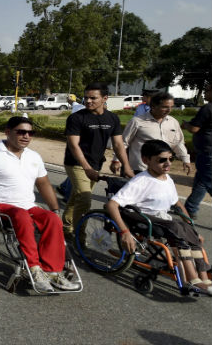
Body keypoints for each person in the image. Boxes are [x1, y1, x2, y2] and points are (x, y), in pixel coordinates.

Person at [0, 117, 79, 292]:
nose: (26, 136)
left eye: (30, 133)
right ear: (7, 132)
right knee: (21, 216)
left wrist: (55, 209)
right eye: (21, 132)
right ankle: (34, 269)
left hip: (27, 205)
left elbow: (43, 184)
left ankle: (53, 272)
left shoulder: (34, 156)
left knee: (52, 219)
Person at [106, 140, 211, 295]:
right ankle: (193, 279)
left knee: (188, 231)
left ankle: (204, 277)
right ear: (146, 160)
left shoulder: (168, 179)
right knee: (176, 229)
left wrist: (193, 229)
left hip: (161, 218)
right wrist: (125, 232)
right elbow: (112, 204)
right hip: (142, 218)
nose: (168, 163)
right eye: (162, 160)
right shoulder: (141, 180)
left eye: (170, 159)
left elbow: (178, 204)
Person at [61, 82, 134, 240]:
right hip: (76, 163)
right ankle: (79, 238)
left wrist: (126, 166)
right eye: (86, 98)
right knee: (85, 198)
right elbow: (73, 145)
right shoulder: (76, 118)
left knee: (77, 196)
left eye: (93, 98)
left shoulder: (112, 118)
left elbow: (118, 144)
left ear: (104, 98)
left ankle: (66, 225)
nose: (88, 101)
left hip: (96, 163)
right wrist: (86, 168)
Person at [111, 92, 191, 175]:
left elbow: (178, 142)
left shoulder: (173, 122)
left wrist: (185, 159)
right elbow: (123, 143)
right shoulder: (137, 122)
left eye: (171, 107)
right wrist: (116, 160)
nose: (169, 110)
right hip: (140, 169)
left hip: (161, 168)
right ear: (153, 107)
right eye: (165, 107)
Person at [183, 82, 212, 220]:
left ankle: (190, 208)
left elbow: (194, 128)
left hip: (208, 152)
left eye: (207, 90)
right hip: (206, 152)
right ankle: (190, 208)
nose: (205, 93)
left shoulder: (208, 108)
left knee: (209, 182)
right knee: (201, 181)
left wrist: (185, 124)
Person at [57, 95, 87, 198]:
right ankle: (67, 194)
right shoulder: (82, 110)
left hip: (77, 142)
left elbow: (71, 101)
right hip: (78, 144)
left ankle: (65, 186)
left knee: (78, 168)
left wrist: (69, 98)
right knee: (77, 167)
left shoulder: (77, 106)